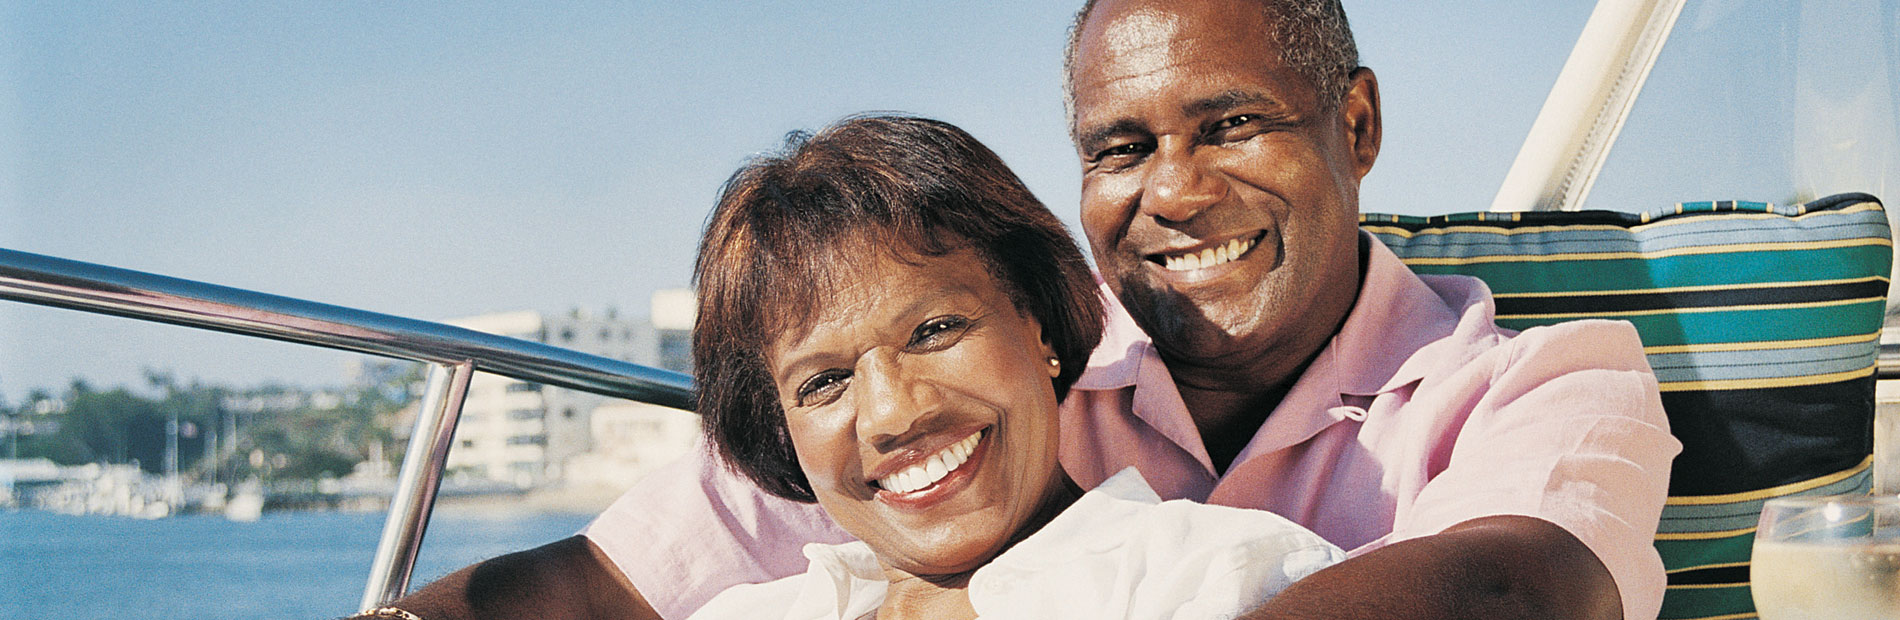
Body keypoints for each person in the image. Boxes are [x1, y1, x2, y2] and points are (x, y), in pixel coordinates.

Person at [365, 1, 1678, 619]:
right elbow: (590, 589)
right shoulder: (968, 378)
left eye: (1229, 127)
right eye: (1118, 149)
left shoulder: (1545, 383)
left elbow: (1514, 589)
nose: (1175, 190)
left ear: (1358, 125)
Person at [681, 114, 1343, 619]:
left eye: (933, 331)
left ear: (1040, 325)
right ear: (782, 433)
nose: (893, 413)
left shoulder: (1218, 576)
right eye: (823, 382)